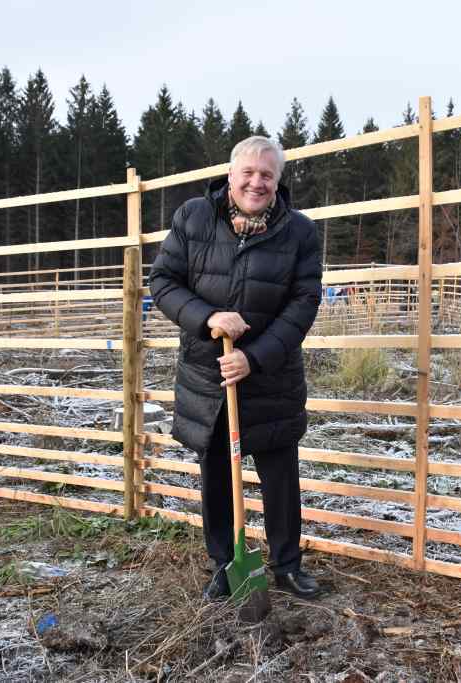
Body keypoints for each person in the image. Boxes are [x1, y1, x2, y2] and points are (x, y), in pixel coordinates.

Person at [148, 135, 323, 600]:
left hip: (271, 375)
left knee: (280, 475)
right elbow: (163, 282)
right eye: (248, 172)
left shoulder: (300, 232)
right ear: (230, 174)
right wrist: (206, 316)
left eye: (267, 174)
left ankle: (286, 565)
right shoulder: (193, 217)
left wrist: (255, 356)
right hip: (210, 375)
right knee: (217, 475)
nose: (256, 182)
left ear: (278, 181)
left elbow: (304, 303)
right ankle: (225, 565)